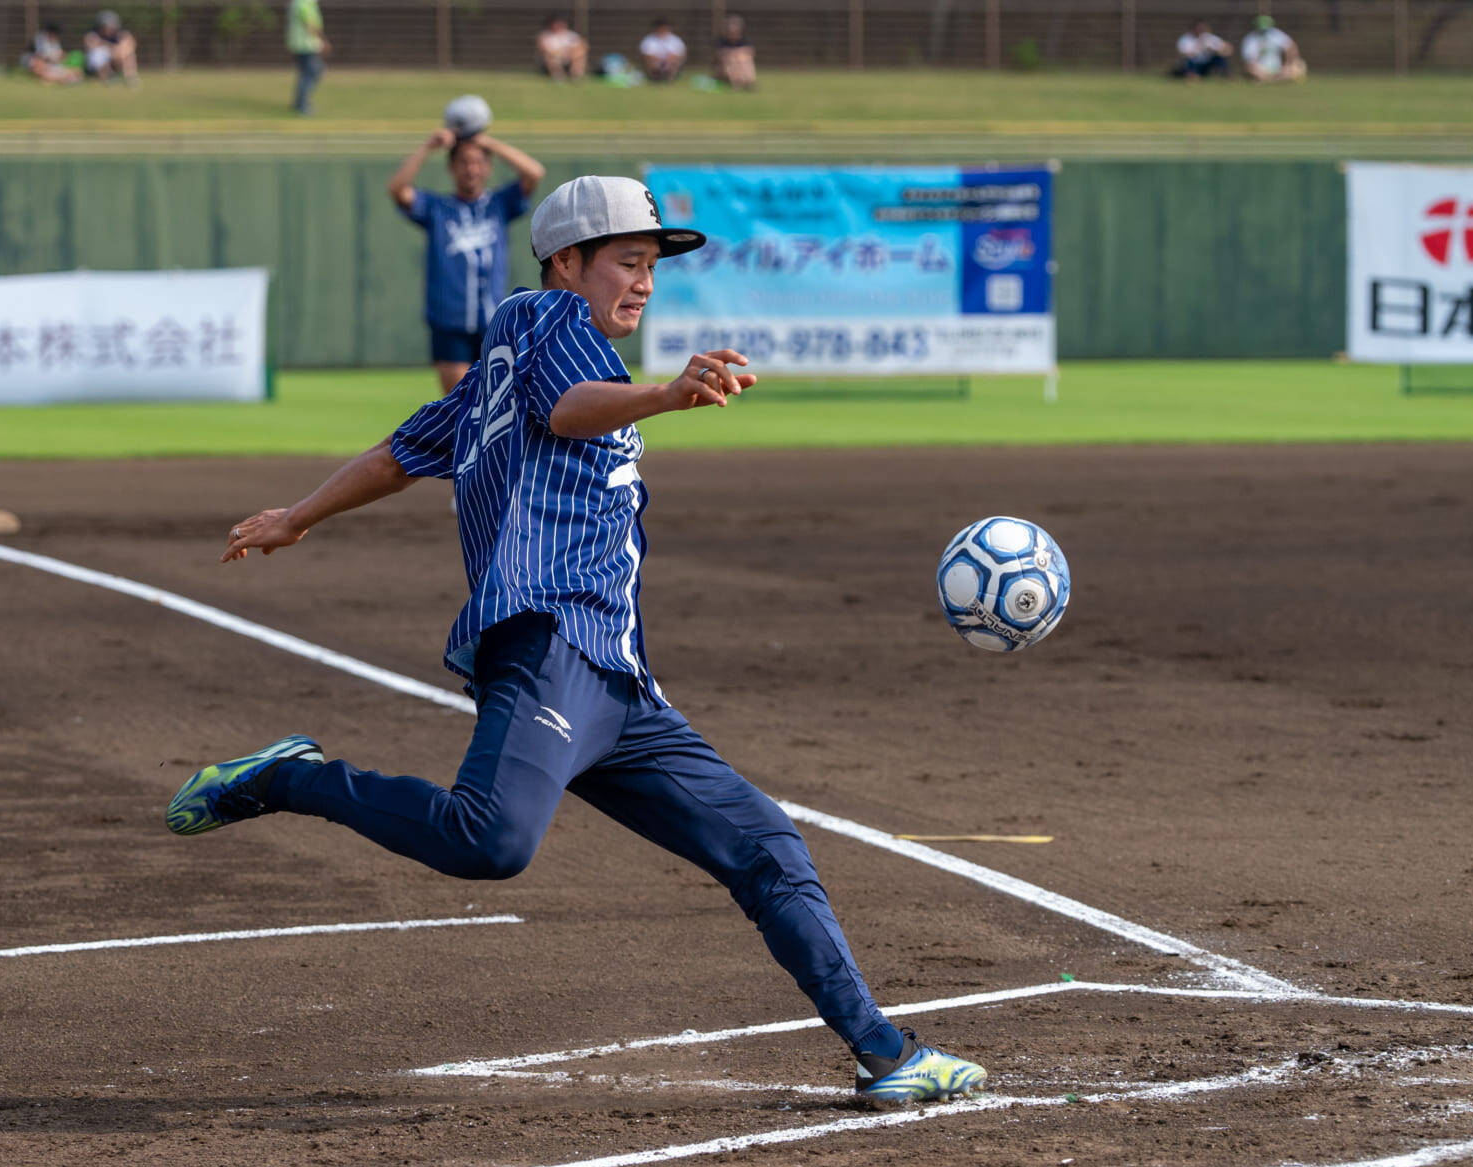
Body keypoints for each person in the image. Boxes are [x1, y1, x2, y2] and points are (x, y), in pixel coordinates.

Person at [167, 175, 991, 1105]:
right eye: (627, 261)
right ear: (567, 261)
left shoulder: (501, 371)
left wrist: (299, 516)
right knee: (489, 841)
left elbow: (399, 455)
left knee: (767, 847)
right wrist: (665, 394)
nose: (643, 282)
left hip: (619, 687)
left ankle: (886, 1052)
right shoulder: (548, 319)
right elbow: (566, 408)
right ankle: (289, 778)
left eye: (652, 268)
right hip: (550, 644)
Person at [387, 126, 544, 394]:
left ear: (488, 168)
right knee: (459, 403)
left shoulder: (498, 204)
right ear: (451, 168)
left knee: (499, 402)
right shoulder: (437, 208)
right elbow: (397, 189)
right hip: (450, 321)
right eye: (463, 162)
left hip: (493, 322)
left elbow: (534, 173)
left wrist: (488, 142)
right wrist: (428, 147)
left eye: (478, 162)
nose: (471, 169)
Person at [286, 0, 326, 116]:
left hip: (299, 44)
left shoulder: (297, 3)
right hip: (307, 45)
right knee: (311, 73)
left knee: (306, 74)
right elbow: (309, 24)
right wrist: (322, 40)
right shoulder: (304, 3)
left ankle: (298, 103)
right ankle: (302, 105)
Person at [1240, 14, 1305, 82]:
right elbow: (1250, 61)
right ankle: (1275, 79)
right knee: (1252, 69)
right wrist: (1260, 71)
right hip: (1260, 70)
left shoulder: (1276, 34)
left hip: (1278, 69)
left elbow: (1291, 47)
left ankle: (1270, 80)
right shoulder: (1250, 39)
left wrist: (1288, 64)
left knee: (1298, 65)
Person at [83, 9, 137, 84]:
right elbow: (91, 45)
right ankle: (108, 77)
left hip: (115, 59)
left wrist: (117, 51)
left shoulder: (120, 33)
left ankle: (130, 77)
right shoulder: (92, 34)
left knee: (128, 53)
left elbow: (130, 43)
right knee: (98, 54)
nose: (110, 28)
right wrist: (113, 49)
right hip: (95, 65)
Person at [536, 14, 587, 81]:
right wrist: (559, 54)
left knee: (579, 56)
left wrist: (572, 55)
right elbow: (544, 49)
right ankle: (558, 76)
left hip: (570, 59)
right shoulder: (545, 36)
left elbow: (582, 47)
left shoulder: (571, 35)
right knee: (549, 57)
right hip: (553, 59)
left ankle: (576, 76)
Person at [713, 13, 755, 89]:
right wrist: (735, 54)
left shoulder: (744, 41)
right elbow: (719, 55)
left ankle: (748, 81)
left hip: (741, 67)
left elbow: (750, 52)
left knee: (744, 58)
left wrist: (736, 54)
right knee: (731, 59)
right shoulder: (722, 41)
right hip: (723, 69)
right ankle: (737, 83)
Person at [638, 17, 685, 82]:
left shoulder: (675, 40)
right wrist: (659, 62)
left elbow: (678, 55)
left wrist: (667, 62)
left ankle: (669, 76)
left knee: (673, 61)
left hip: (669, 62)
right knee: (653, 62)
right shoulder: (648, 40)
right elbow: (647, 56)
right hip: (655, 62)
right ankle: (656, 75)